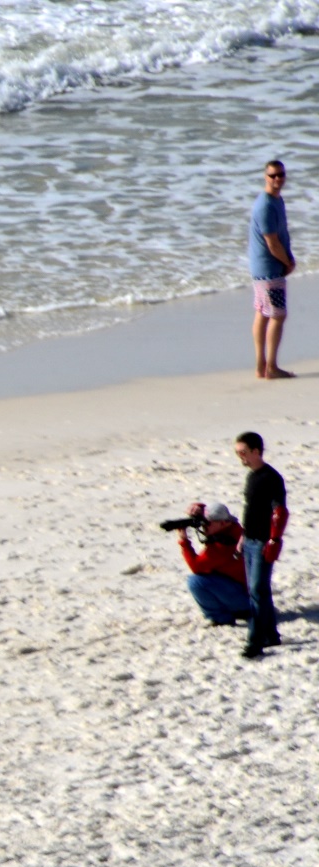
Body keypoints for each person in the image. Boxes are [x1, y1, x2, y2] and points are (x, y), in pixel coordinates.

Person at [234, 432, 288, 658]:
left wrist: (274, 539)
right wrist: (242, 537)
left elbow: (280, 511)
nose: (241, 457)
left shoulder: (271, 478)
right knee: (259, 590)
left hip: (263, 542)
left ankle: (254, 642)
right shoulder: (252, 476)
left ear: (256, 451)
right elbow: (251, 510)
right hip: (250, 540)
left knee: (257, 590)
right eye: (238, 453)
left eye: (243, 453)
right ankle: (271, 634)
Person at [249, 160, 296, 379]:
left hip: (265, 268)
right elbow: (272, 243)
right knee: (278, 315)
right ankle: (271, 367)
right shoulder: (265, 206)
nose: (277, 179)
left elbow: (282, 235)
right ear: (265, 177)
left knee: (263, 313)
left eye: (280, 175)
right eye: (273, 175)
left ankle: (261, 366)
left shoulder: (277, 200)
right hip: (268, 269)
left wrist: (289, 257)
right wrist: (287, 262)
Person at [176, 501, 252, 626]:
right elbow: (214, 513)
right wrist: (199, 509)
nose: (203, 526)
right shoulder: (234, 528)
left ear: (223, 523)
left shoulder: (223, 544)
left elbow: (196, 566)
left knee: (196, 582)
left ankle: (221, 617)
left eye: (207, 523)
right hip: (246, 592)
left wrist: (184, 542)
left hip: (243, 599)